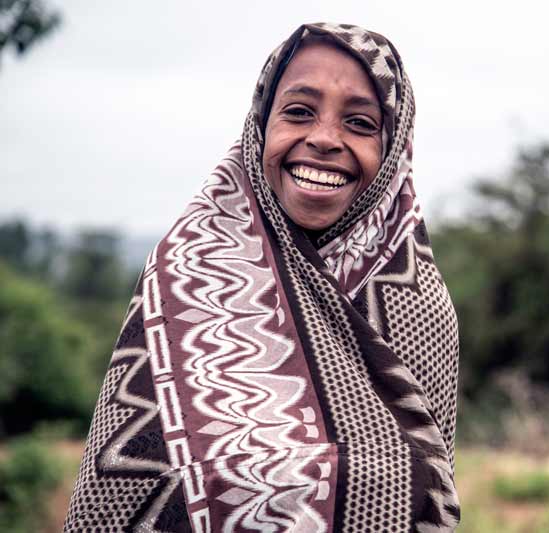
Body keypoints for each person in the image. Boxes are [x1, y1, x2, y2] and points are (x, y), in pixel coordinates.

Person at [64, 22, 460, 532]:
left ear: (393, 148)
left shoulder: (417, 305)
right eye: (298, 112)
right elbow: (119, 489)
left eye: (360, 123)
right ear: (259, 126)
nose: (323, 139)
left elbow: (430, 504)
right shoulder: (186, 277)